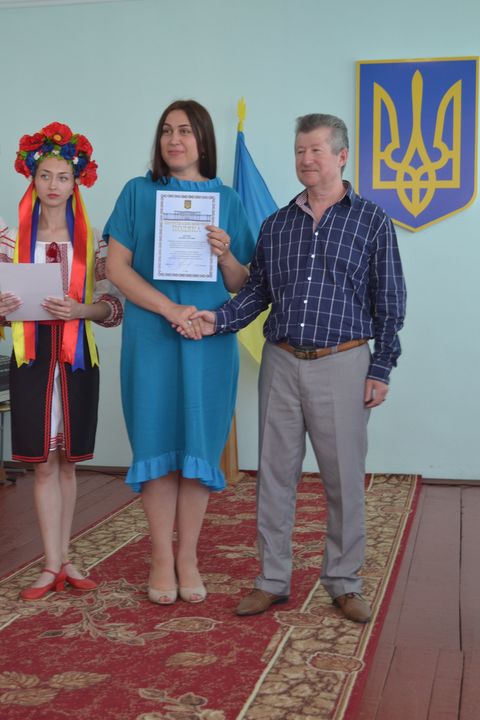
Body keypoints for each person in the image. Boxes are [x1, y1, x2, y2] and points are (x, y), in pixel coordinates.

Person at [185, 113, 407, 622]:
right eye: (300, 151)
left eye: (316, 150)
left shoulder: (372, 220)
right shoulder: (277, 224)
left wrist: (382, 368)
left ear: (342, 156)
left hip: (344, 362)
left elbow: (390, 302)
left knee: (343, 480)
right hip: (281, 362)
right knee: (274, 477)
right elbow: (256, 293)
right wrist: (217, 320)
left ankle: (344, 582)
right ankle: (271, 580)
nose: (306, 160)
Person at [104, 100, 255, 606]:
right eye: (167, 130)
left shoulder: (227, 199)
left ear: (203, 140)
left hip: (207, 338)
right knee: (155, 442)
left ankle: (187, 557)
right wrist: (170, 309)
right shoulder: (137, 191)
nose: (174, 140)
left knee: (198, 448)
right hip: (153, 336)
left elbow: (241, 283)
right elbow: (117, 269)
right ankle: (159, 557)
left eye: (185, 131)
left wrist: (225, 253)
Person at [0, 122, 123, 601]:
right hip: (31, 360)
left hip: (77, 361)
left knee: (68, 464)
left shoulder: (94, 243)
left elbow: (113, 309)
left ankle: (67, 558)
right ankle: (51, 564)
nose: (53, 185)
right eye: (45, 175)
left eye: (63, 177)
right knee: (43, 466)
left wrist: (80, 310)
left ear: (76, 183)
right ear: (32, 179)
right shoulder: (9, 240)